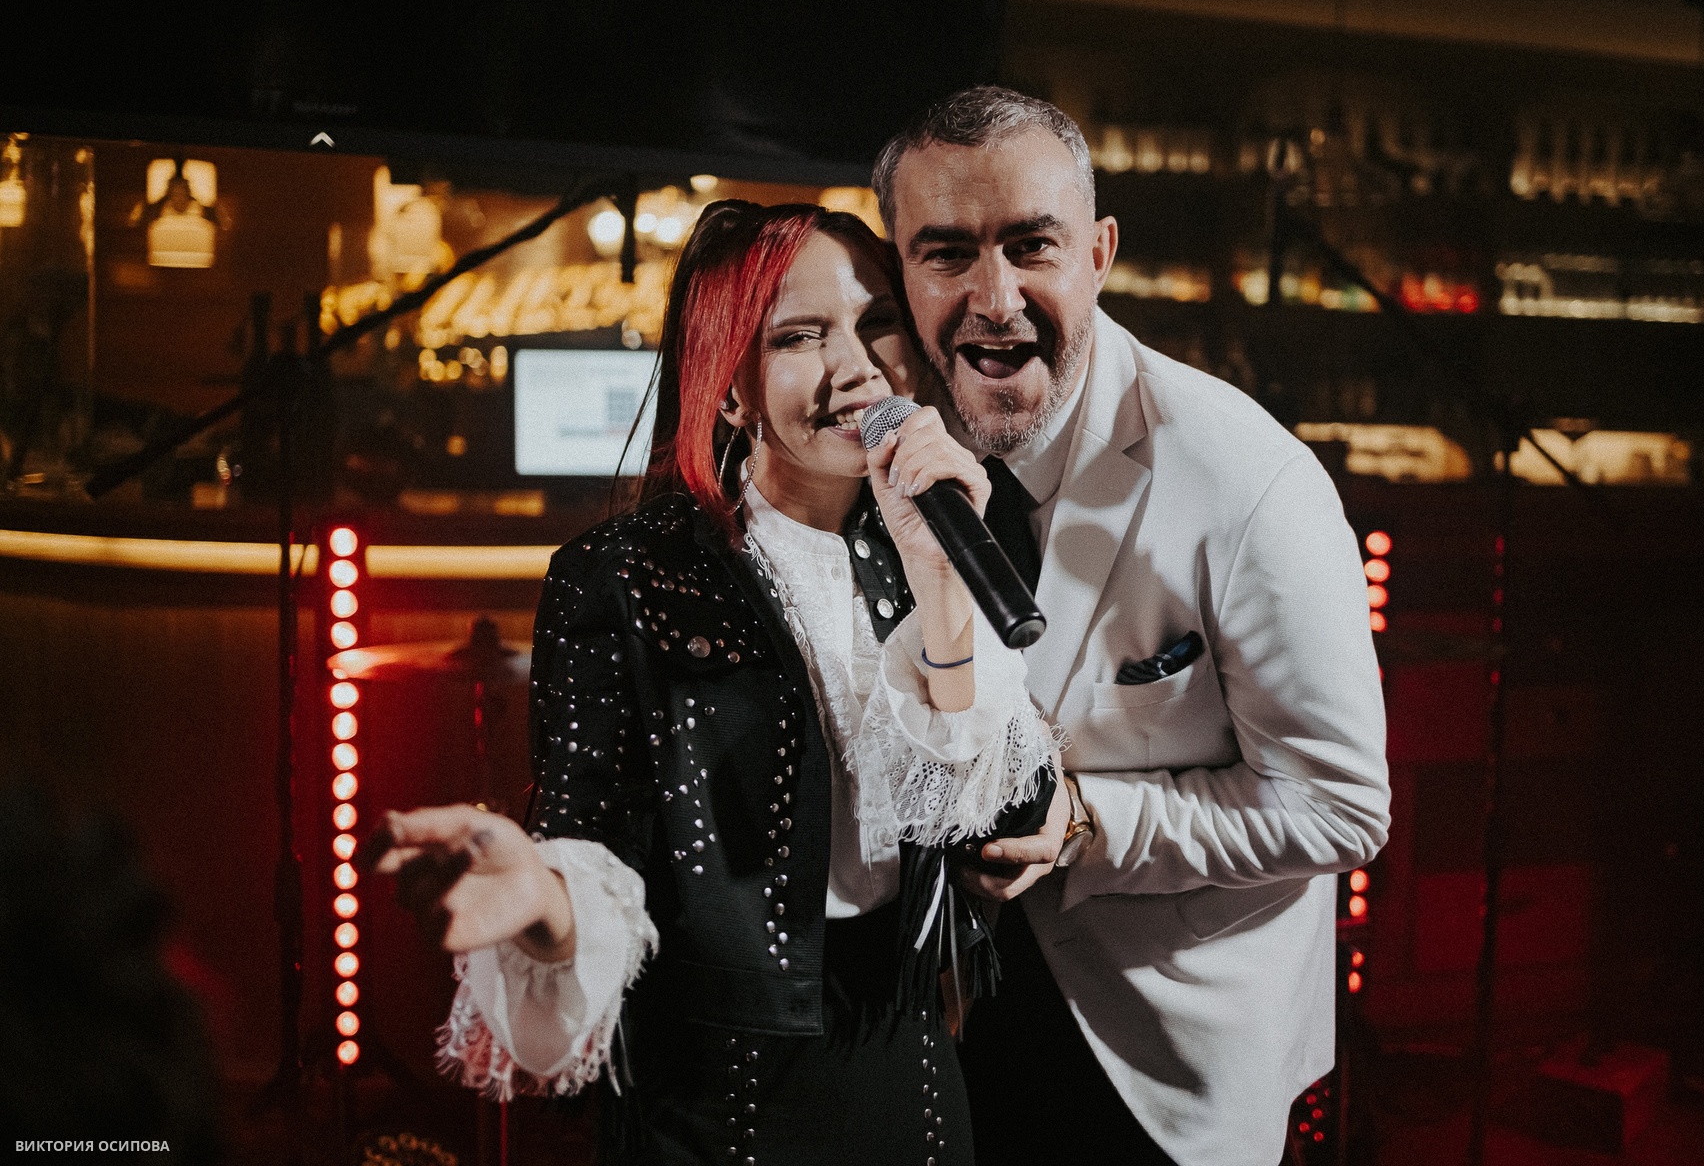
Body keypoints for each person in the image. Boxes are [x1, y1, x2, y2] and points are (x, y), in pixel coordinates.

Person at [362, 201, 1059, 1164]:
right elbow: (597, 857)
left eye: (877, 323)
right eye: (799, 337)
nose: (856, 366)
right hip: (711, 1103)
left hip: (907, 1080)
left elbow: (1004, 812)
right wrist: (542, 897)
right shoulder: (625, 577)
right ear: (730, 392)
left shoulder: (943, 537)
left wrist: (941, 585)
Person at [871, 86, 1392, 1166]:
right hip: (941, 1027)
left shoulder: (1248, 480)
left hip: (1163, 1065)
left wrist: (1087, 821)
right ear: (902, 270)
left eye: (1031, 246)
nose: (994, 299)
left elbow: (1340, 807)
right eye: (948, 253)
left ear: (1099, 254)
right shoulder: (892, 442)